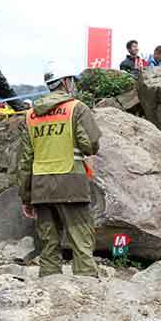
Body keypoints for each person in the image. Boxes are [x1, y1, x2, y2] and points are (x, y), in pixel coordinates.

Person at [16, 61, 101, 278]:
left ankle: (50, 292)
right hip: (71, 182)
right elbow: (90, 145)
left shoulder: (30, 116)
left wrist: (26, 197)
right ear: (65, 81)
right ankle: (86, 291)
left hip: (41, 188)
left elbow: (25, 161)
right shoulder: (77, 108)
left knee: (48, 244)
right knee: (80, 241)